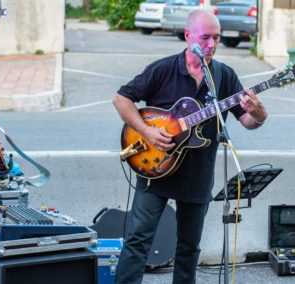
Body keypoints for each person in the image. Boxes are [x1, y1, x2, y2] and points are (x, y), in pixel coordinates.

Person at [112, 9, 267, 284]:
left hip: (197, 175)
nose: (212, 44)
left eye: (217, 38)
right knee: (138, 241)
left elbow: (246, 121)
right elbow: (121, 99)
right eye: (205, 37)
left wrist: (259, 114)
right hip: (154, 167)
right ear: (188, 36)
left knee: (188, 249)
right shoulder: (163, 69)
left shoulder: (224, 76)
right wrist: (148, 131)